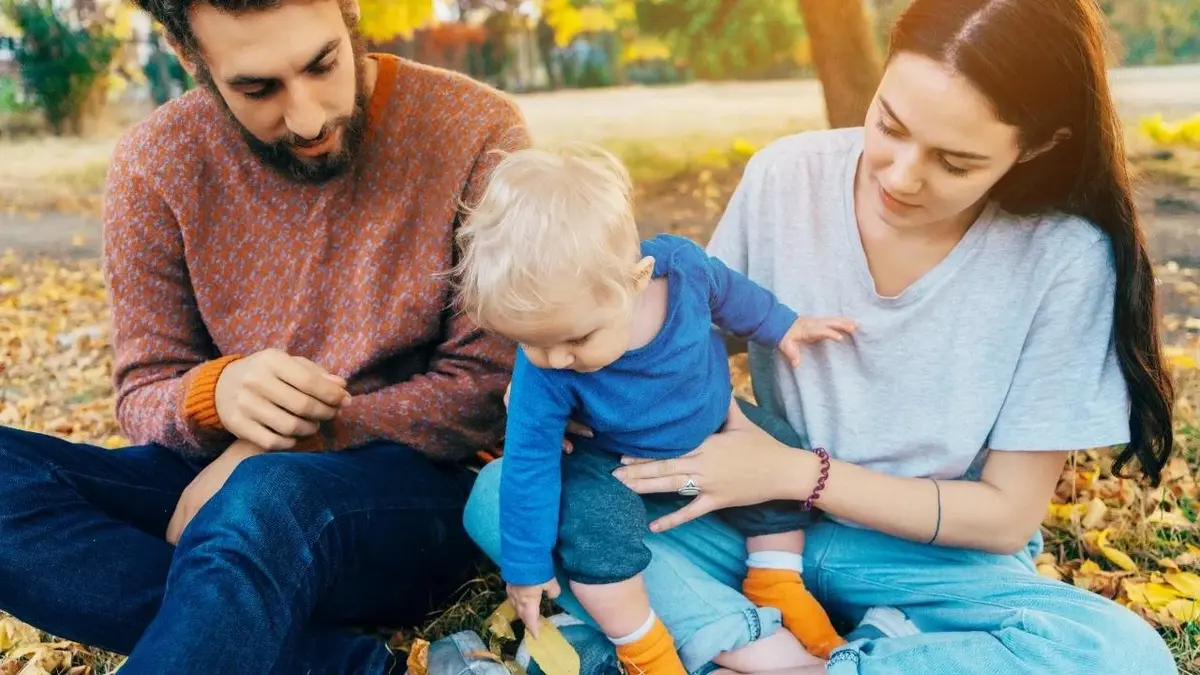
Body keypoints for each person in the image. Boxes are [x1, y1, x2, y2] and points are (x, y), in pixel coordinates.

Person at [464, 0, 1181, 673]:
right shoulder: (786, 177)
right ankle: (808, 641)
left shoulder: (1065, 256)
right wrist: (579, 393)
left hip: (923, 553)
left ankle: (744, 651)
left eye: (954, 161)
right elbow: (675, 336)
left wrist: (791, 473)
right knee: (503, 495)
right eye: (890, 125)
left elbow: (1004, 517)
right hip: (736, 526)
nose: (900, 176)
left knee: (1118, 652)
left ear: (1034, 147)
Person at [0, 0, 527, 673]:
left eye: (322, 64)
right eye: (257, 88)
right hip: (214, 478)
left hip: (414, 489)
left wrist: (296, 435)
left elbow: (486, 388)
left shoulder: (477, 129)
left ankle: (234, 604)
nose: (306, 117)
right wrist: (214, 398)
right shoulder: (152, 162)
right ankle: (327, 659)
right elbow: (142, 389)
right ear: (190, 57)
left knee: (268, 495)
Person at [450, 146, 855, 675]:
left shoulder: (682, 272)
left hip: (713, 440)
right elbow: (529, 464)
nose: (555, 360)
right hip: (618, 467)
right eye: (529, 343)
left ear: (637, 281)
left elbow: (731, 293)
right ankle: (643, 647)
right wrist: (525, 568)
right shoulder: (545, 369)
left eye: (575, 338)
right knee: (595, 528)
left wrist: (782, 325)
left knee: (779, 444)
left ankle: (775, 574)